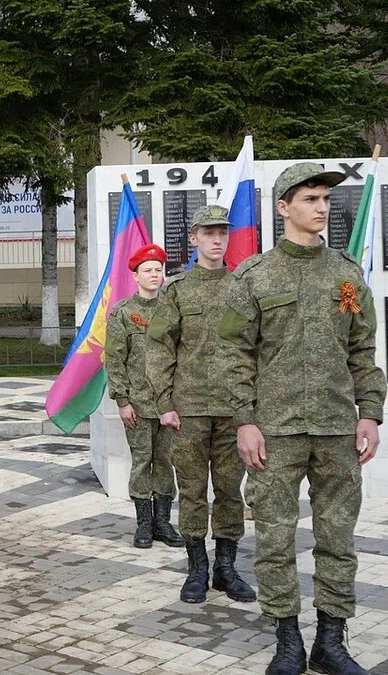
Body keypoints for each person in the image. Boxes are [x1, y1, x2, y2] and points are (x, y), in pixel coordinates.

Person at [218, 163, 386, 675]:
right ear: (283, 207)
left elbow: (362, 348)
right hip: (276, 432)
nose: (321, 207)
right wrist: (245, 421)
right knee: (274, 539)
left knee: (338, 539)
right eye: (310, 198)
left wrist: (370, 413)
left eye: (326, 200)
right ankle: (287, 641)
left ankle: (330, 642)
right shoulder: (254, 276)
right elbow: (233, 355)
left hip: (337, 428)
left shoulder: (346, 273)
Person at [147, 204, 255, 605]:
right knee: (192, 490)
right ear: (193, 238)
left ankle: (226, 568)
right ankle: (197, 569)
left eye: (222, 233)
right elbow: (159, 350)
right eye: (208, 232)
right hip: (188, 410)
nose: (216, 239)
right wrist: (163, 403)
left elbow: (257, 346)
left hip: (234, 410)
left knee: (230, 490)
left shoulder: (243, 287)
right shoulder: (176, 290)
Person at [104, 243, 182, 550]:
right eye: (147, 270)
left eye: (158, 270)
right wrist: (122, 401)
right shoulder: (123, 313)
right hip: (137, 403)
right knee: (141, 462)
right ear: (135, 275)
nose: (154, 274)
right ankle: (144, 524)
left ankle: (163, 522)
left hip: (168, 404)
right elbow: (114, 358)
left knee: (165, 461)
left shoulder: (172, 310)